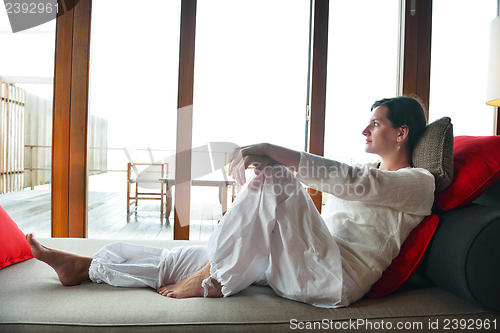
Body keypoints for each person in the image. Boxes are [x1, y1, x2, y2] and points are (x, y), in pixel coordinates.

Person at [26, 96, 435, 308]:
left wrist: (268, 151)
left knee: (276, 177)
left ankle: (214, 279)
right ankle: (86, 266)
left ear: (402, 133)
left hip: (333, 280)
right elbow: (345, 180)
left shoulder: (417, 182)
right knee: (194, 254)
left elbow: (349, 182)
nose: (365, 129)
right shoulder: (376, 176)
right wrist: (258, 163)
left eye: (376, 123)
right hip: (307, 264)